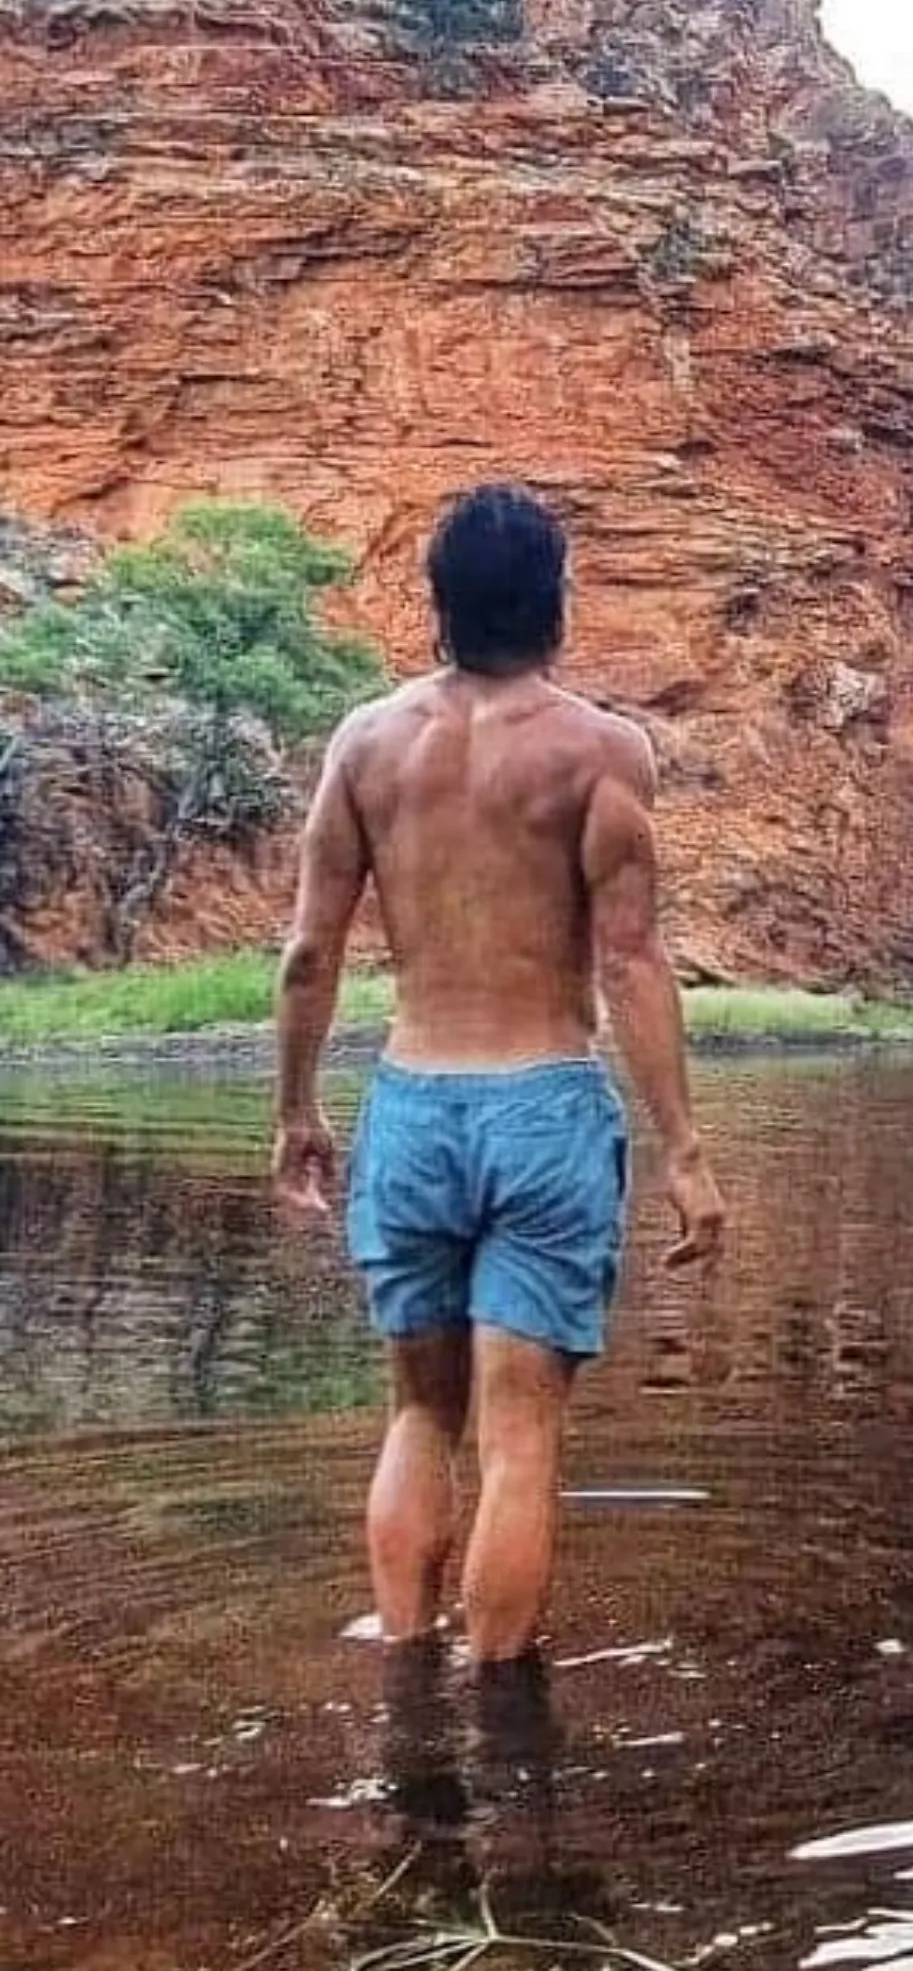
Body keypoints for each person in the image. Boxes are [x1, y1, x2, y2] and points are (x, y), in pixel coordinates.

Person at [270, 483, 726, 1677]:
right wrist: (682, 1150)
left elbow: (309, 952)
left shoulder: (367, 744)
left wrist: (295, 1110)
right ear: (553, 603)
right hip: (542, 1102)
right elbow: (631, 959)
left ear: (439, 603)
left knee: (420, 1410)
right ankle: (501, 1714)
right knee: (519, 1433)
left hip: (414, 1101)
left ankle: (403, 1685)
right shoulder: (597, 749)